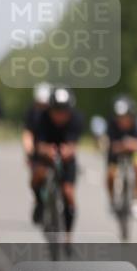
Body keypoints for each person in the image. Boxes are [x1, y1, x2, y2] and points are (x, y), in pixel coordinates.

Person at [33, 87, 84, 236]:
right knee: (37, 176)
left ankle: (68, 235)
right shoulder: (41, 118)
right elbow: (38, 144)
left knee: (68, 192)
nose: (60, 115)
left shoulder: (76, 119)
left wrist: (68, 151)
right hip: (46, 156)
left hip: (66, 158)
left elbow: (74, 145)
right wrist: (46, 150)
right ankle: (39, 203)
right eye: (56, 110)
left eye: (64, 111)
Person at [105, 95, 137, 219]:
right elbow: (111, 146)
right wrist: (126, 145)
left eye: (125, 117)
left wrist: (127, 145)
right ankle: (112, 199)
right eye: (119, 117)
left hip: (134, 153)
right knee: (110, 174)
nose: (122, 120)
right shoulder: (111, 124)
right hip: (116, 153)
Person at [23, 82, 52, 221]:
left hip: (54, 148)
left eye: (45, 104)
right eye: (40, 104)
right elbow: (27, 133)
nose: (43, 107)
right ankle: (39, 202)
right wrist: (28, 149)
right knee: (36, 178)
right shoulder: (32, 114)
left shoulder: (56, 112)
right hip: (38, 150)